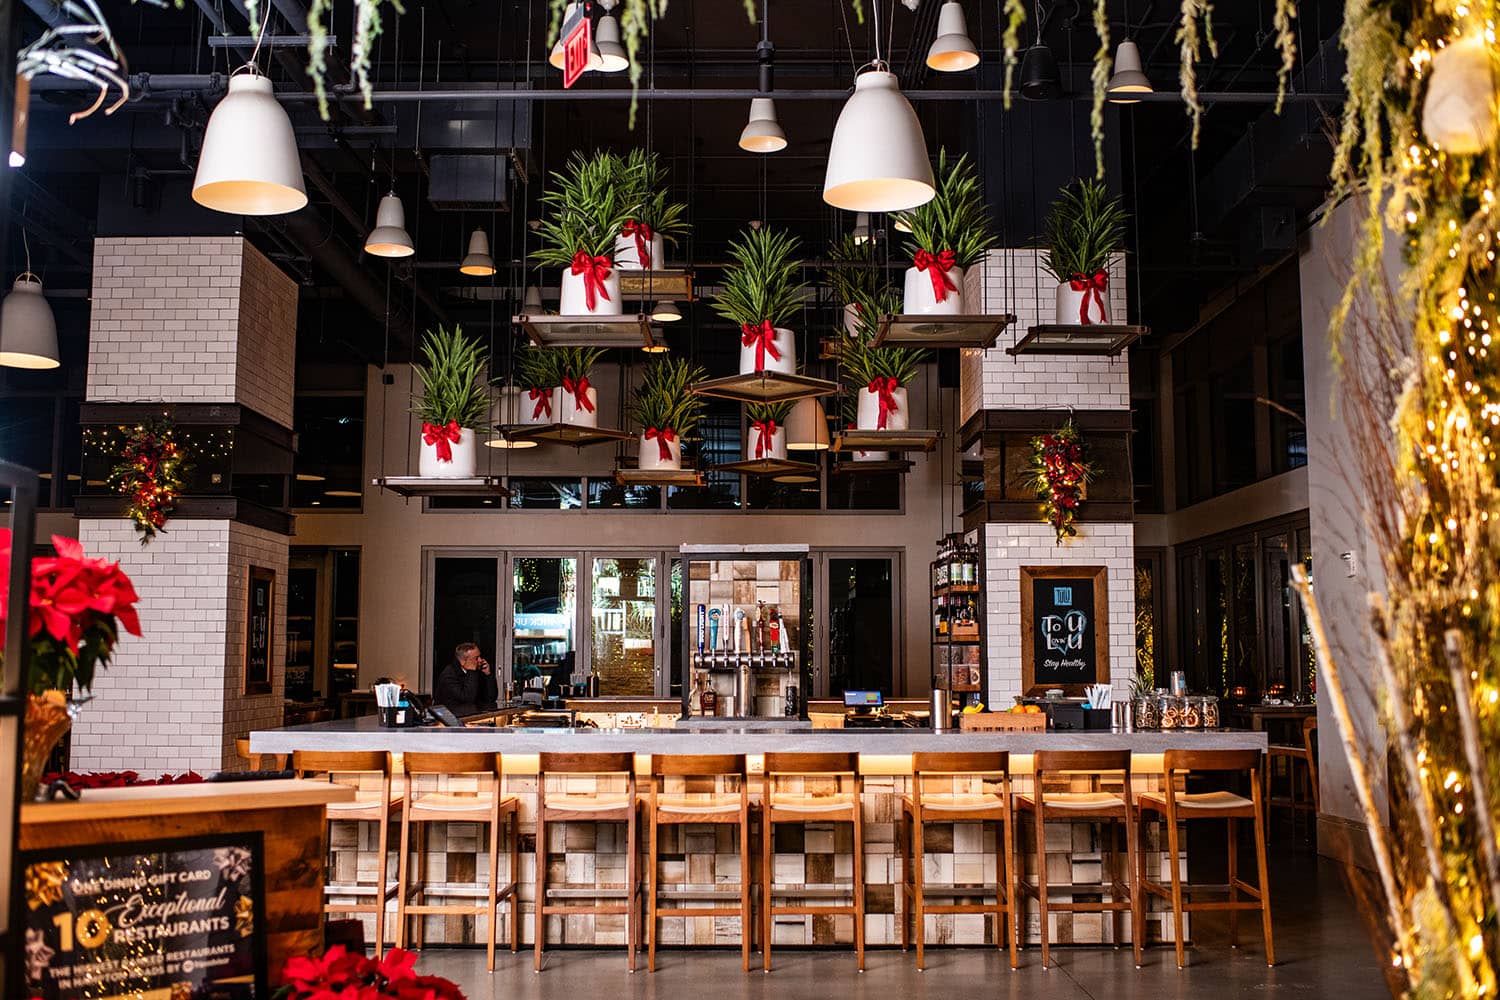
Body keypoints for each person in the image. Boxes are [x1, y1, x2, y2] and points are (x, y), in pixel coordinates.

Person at [432, 642, 498, 717]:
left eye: (480, 656)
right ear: (463, 661)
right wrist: (471, 672)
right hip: (451, 720)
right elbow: (467, 699)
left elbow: (490, 698)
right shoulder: (449, 675)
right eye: (476, 658)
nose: (480, 660)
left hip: (472, 716)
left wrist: (488, 674)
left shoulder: (477, 671)